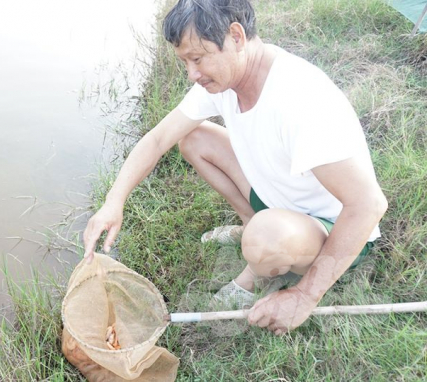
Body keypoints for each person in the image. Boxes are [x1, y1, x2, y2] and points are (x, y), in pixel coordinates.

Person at [81, 0, 388, 335]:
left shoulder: (299, 100)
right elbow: (158, 139)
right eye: (185, 62)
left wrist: (305, 295)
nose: (192, 74)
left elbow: (368, 205)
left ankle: (258, 262)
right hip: (278, 199)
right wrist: (114, 201)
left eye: (197, 59)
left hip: (332, 227)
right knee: (195, 138)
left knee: (266, 236)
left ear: (236, 36)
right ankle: (252, 226)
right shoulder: (226, 79)